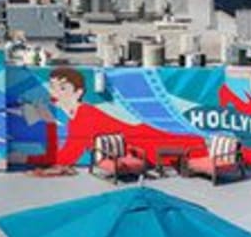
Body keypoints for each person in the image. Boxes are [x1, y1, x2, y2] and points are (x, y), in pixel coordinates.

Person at [24, 66, 209, 168]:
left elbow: (67, 157)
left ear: (79, 92)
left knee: (190, 147)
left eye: (63, 88)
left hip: (144, 143)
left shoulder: (84, 116)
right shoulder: (78, 115)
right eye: (53, 86)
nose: (56, 92)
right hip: (139, 141)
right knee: (191, 146)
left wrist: (27, 159)